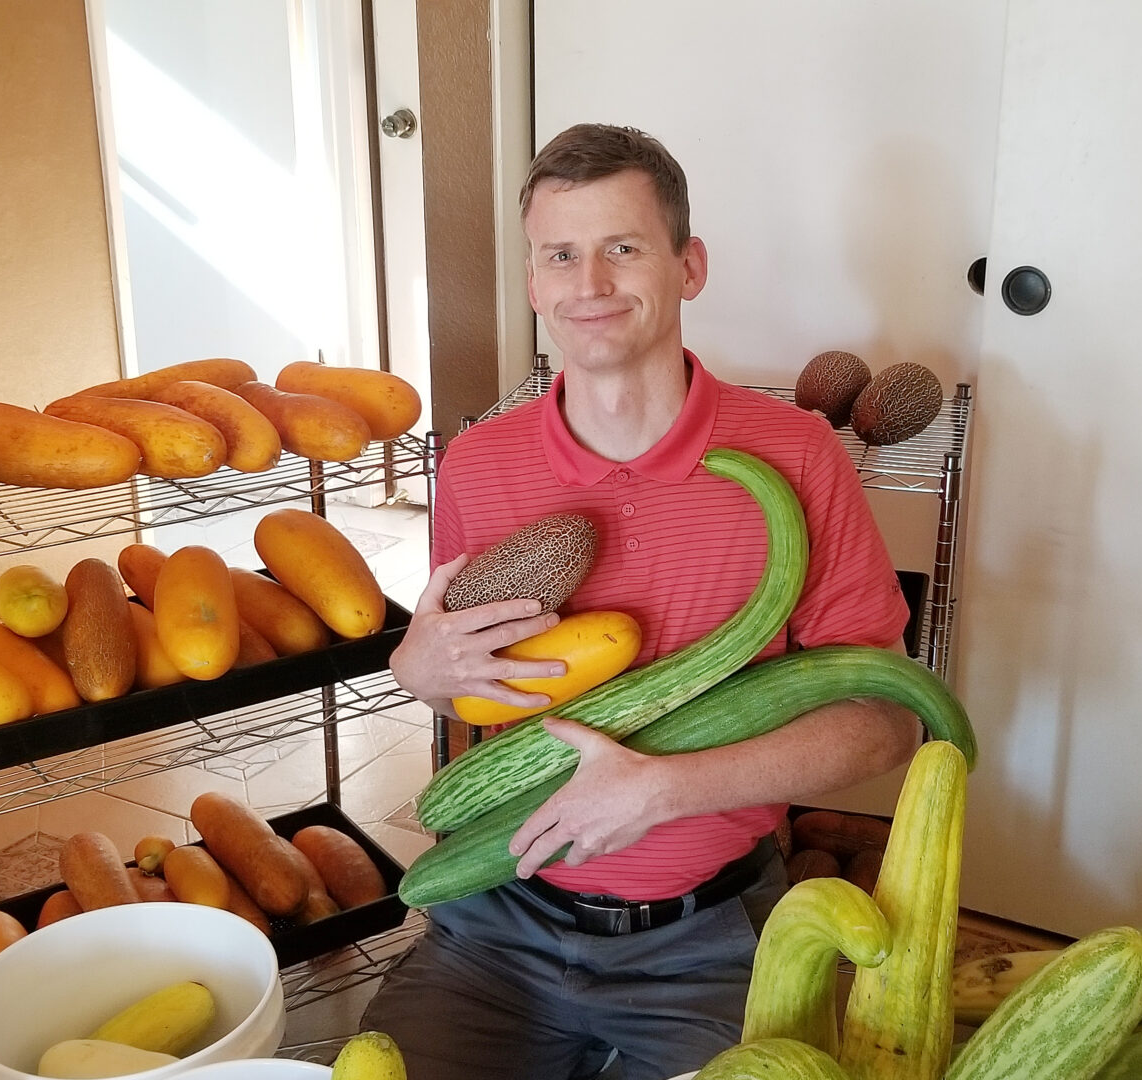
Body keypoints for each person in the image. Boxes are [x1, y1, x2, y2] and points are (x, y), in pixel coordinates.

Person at [365, 123, 920, 1080]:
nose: (589, 284)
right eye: (560, 256)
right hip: (498, 919)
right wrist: (417, 671)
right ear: (535, 284)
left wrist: (663, 790)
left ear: (688, 265)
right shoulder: (479, 464)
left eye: (623, 248)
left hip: (707, 938)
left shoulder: (795, 456)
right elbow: (477, 684)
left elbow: (883, 728)